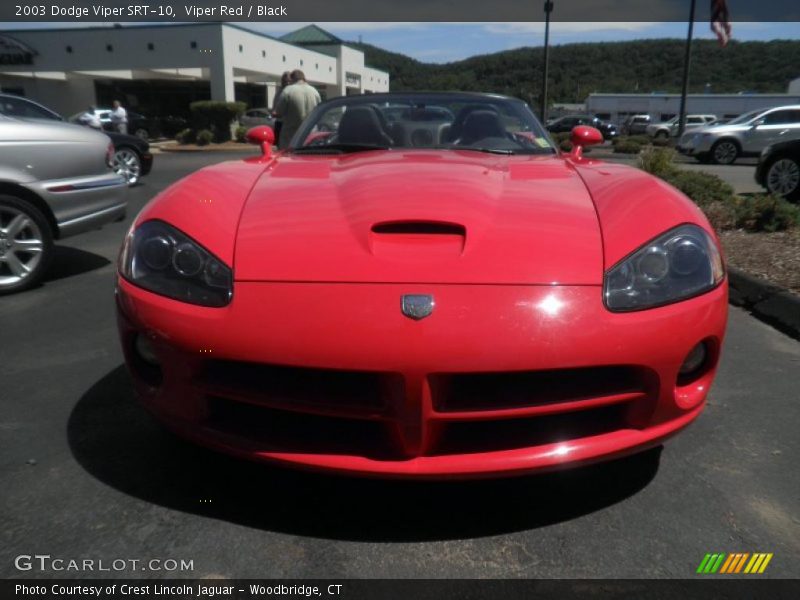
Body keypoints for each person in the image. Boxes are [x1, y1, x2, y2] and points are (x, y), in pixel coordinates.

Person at [273, 69, 321, 148]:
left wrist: (274, 113)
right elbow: (319, 112)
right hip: (310, 135)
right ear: (304, 78)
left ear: (292, 79)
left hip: (291, 137)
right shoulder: (315, 91)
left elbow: (278, 113)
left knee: (289, 159)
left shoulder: (288, 91)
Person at [271, 71, 292, 145]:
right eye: (285, 81)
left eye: (289, 81)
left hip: (290, 124)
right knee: (279, 145)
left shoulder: (292, 91)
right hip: (280, 123)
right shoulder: (279, 92)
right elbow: (274, 109)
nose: (287, 83)